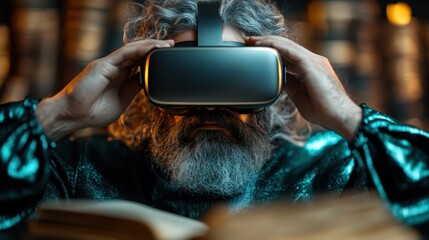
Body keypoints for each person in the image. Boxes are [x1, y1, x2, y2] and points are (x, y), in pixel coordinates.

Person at [1, 0, 428, 233]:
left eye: (233, 80)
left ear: (279, 81)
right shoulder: (80, 169)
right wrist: (55, 115)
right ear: (145, 81)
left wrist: (348, 119)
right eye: (189, 79)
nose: (209, 105)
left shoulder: (334, 168)